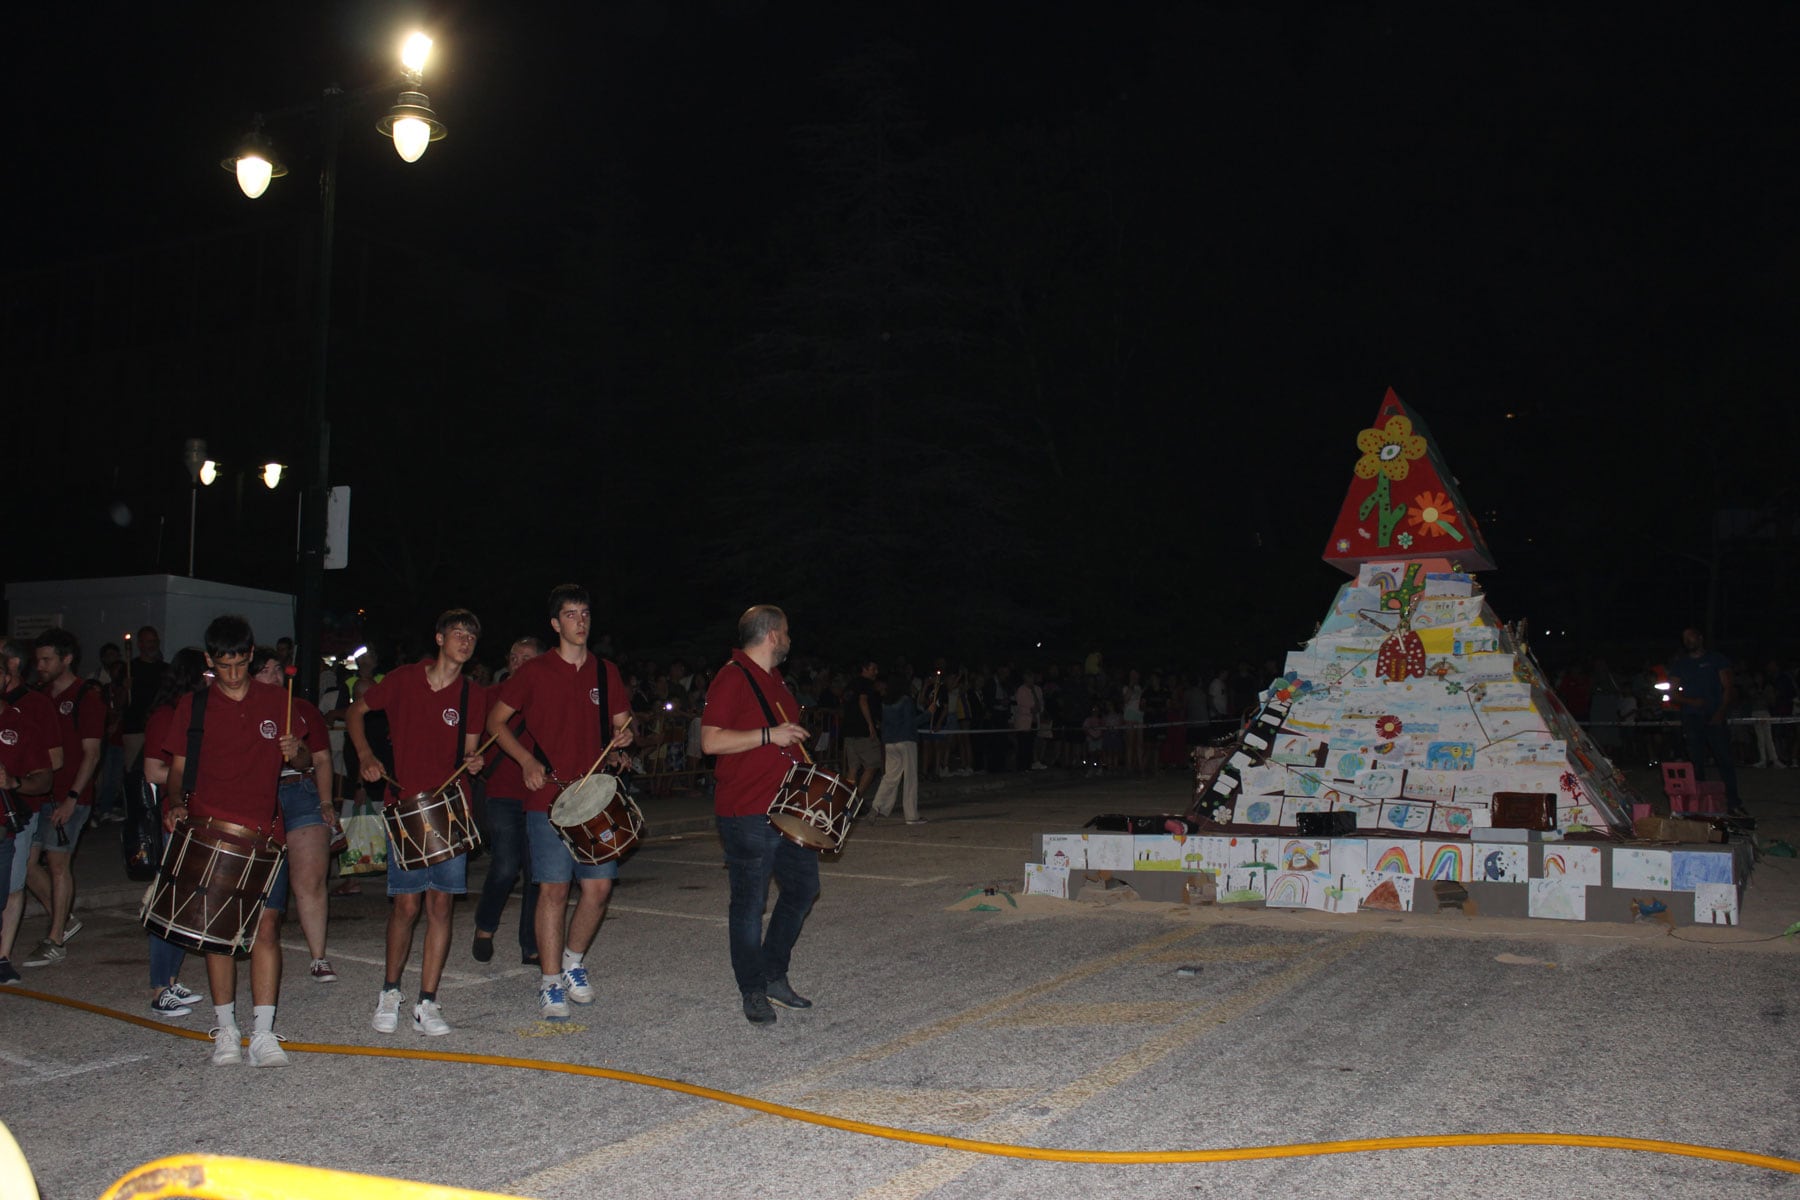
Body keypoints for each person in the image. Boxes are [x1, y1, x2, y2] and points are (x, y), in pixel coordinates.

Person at [162, 614, 311, 1067]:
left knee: (266, 930)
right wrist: (174, 804)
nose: (231, 675)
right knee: (217, 935)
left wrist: (296, 753)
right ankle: (226, 1030)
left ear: (250, 656)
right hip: (211, 832)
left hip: (266, 832)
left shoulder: (277, 699)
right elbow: (175, 770)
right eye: (222, 666)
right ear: (210, 661)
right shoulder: (195, 706)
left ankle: (263, 1034)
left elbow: (305, 760)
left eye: (239, 664)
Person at [487, 585, 633, 1020]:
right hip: (548, 796)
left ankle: (573, 961)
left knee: (599, 889)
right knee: (552, 890)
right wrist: (526, 758)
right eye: (571, 614)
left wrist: (625, 735)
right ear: (555, 624)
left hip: (593, 797)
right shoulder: (534, 672)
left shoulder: (606, 672)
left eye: (585, 613)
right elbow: (497, 722)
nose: (580, 621)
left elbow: (623, 722)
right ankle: (550, 981)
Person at [349, 609, 488, 1036]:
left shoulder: (472, 695)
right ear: (440, 638)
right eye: (457, 633)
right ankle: (390, 991)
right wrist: (367, 757)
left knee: (441, 904)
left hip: (448, 809)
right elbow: (356, 713)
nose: (464, 640)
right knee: (406, 905)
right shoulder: (406, 679)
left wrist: (475, 761)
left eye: (471, 635)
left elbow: (468, 755)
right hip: (405, 806)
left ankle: (428, 1000)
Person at [700, 605, 817, 1025]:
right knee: (749, 905)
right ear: (771, 634)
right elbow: (710, 741)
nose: (788, 639)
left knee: (803, 889)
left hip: (786, 808)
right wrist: (770, 735)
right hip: (747, 810)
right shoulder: (732, 676)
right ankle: (752, 989)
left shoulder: (775, 680)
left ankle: (772, 973)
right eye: (785, 632)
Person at [250, 648, 339, 985]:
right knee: (260, 881)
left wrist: (326, 802)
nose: (273, 677)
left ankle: (319, 956)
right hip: (259, 795)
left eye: (277, 670)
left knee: (310, 879)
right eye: (265, 670)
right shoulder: (241, 710)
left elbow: (319, 759)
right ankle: (258, 946)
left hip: (300, 791)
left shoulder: (301, 710)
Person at [20, 629, 105, 969]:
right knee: (24, 864)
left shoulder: (86, 696)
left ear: (66, 659)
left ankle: (55, 939)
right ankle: (65, 918)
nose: (39, 666)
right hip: (41, 794)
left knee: (58, 864)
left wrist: (72, 797)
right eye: (37, 659)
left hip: (71, 794)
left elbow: (92, 754)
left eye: (46, 659)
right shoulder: (38, 696)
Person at [138, 648, 210, 1015]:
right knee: (169, 905)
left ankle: (169, 981)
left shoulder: (194, 716)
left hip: (195, 820)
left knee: (185, 906)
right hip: (174, 819)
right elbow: (153, 770)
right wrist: (198, 780)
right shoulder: (166, 717)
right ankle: (158, 987)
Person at [471, 635, 543, 966]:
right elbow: (468, 738)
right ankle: (485, 925)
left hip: (540, 794)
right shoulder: (490, 697)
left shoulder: (548, 698)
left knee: (536, 872)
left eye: (527, 658)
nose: (518, 663)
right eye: (514, 657)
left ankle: (530, 943)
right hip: (501, 792)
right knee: (505, 864)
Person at [0, 670, 55, 985]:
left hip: (11, 824)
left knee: (11, 887)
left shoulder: (21, 726)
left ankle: (3, 957)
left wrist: (13, 782)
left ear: (6, 678)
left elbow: (44, 777)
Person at [1667, 627, 1743, 815]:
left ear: (1699, 638)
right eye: (1684, 638)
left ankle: (1733, 802)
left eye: (1691, 637)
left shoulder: (1716, 659)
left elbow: (1728, 687)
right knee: (1695, 762)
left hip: (1714, 716)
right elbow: (1673, 694)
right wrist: (1691, 701)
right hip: (1692, 717)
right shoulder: (1680, 665)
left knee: (1724, 759)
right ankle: (1699, 805)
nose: (1688, 641)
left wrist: (1720, 712)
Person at [871, 671, 933, 824]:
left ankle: (876, 806)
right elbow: (911, 722)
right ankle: (911, 816)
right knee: (910, 778)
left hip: (890, 743)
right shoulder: (906, 700)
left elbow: (885, 724)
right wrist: (928, 714)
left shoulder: (886, 702)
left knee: (890, 777)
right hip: (906, 741)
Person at [840, 660, 881, 796]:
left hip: (849, 731)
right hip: (862, 731)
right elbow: (863, 701)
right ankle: (856, 798)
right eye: (873, 668)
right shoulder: (866, 684)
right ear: (865, 669)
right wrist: (870, 724)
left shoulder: (850, 684)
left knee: (853, 768)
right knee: (872, 764)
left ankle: (847, 799)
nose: (876, 672)